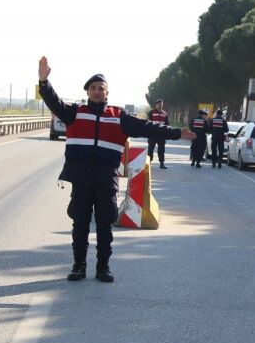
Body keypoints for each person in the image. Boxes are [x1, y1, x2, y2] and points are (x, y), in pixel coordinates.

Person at [37, 56, 195, 282]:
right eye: (93, 88)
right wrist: (44, 82)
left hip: (106, 179)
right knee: (80, 224)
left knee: (104, 225)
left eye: (100, 88)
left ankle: (103, 267)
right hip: (81, 179)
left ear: (107, 92)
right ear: (87, 91)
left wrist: (177, 133)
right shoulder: (75, 112)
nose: (96, 91)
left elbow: (147, 127)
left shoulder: (118, 116)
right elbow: (54, 102)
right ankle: (79, 266)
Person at [147, 99, 170, 169]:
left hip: (161, 135)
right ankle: (149, 163)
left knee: (161, 150)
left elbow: (167, 124)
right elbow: (148, 123)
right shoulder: (151, 112)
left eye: (161, 104)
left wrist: (167, 132)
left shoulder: (165, 113)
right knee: (150, 149)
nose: (160, 105)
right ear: (156, 105)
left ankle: (162, 163)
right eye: (159, 104)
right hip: (152, 134)